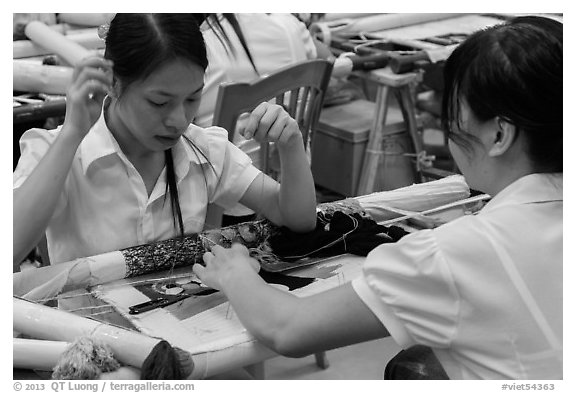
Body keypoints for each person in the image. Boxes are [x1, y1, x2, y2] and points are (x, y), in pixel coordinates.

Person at [193, 16, 563, 380]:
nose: (444, 125)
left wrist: (236, 274)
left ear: (499, 135)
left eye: (451, 113)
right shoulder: (283, 28)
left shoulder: (458, 253)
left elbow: (287, 327)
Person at [13, 13, 317, 267]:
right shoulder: (58, 150)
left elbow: (297, 219)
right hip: (85, 330)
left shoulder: (203, 149)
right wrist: (71, 133)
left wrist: (291, 145)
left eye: (192, 99)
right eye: (159, 103)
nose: (179, 120)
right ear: (114, 84)